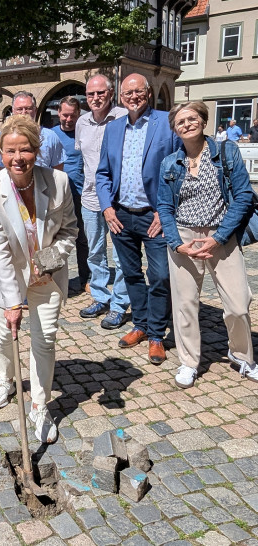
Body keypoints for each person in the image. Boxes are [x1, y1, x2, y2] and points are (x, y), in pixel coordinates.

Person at [0, 115, 77, 443]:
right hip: (8, 274)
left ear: (37, 150)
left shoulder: (59, 182)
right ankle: (5, 380)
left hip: (46, 275)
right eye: (10, 151)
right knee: (5, 335)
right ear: (0, 154)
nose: (17, 158)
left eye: (25, 150)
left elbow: (69, 230)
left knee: (44, 338)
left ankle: (39, 404)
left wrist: (47, 262)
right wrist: (11, 302)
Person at [157, 101, 257, 388]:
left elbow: (244, 196)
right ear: (175, 129)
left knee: (238, 303)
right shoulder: (169, 163)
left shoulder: (227, 152)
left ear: (203, 121)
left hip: (221, 236)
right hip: (184, 236)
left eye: (192, 119)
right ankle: (188, 362)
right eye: (180, 122)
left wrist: (219, 237)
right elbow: (164, 206)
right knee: (185, 305)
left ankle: (241, 355)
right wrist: (177, 244)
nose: (187, 124)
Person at [95, 73, 181, 365]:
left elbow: (177, 172)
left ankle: (157, 335)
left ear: (148, 92)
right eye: (127, 93)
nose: (133, 97)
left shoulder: (165, 124)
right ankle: (141, 326)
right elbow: (103, 173)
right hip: (121, 217)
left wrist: (165, 210)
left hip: (153, 217)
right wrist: (107, 208)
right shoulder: (114, 128)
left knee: (159, 276)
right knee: (131, 274)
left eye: (138, 91)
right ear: (120, 97)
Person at [75, 74, 130, 330]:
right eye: (90, 94)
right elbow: (83, 161)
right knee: (95, 252)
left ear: (111, 93)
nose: (95, 98)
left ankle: (119, 305)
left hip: (118, 200)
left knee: (121, 255)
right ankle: (100, 296)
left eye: (100, 93)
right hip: (89, 198)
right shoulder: (82, 122)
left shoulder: (123, 117)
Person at [51, 96, 89, 291]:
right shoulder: (51, 135)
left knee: (83, 238)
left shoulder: (85, 133)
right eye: (65, 115)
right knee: (54, 238)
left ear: (78, 114)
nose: (68, 119)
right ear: (59, 113)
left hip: (80, 194)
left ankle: (86, 278)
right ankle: (53, 279)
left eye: (72, 115)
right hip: (56, 195)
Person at [0, 91, 66, 172]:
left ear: (35, 110)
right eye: (19, 109)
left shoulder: (50, 136)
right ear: (13, 111)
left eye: (28, 108)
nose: (23, 113)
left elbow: (58, 170)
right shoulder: (1, 137)